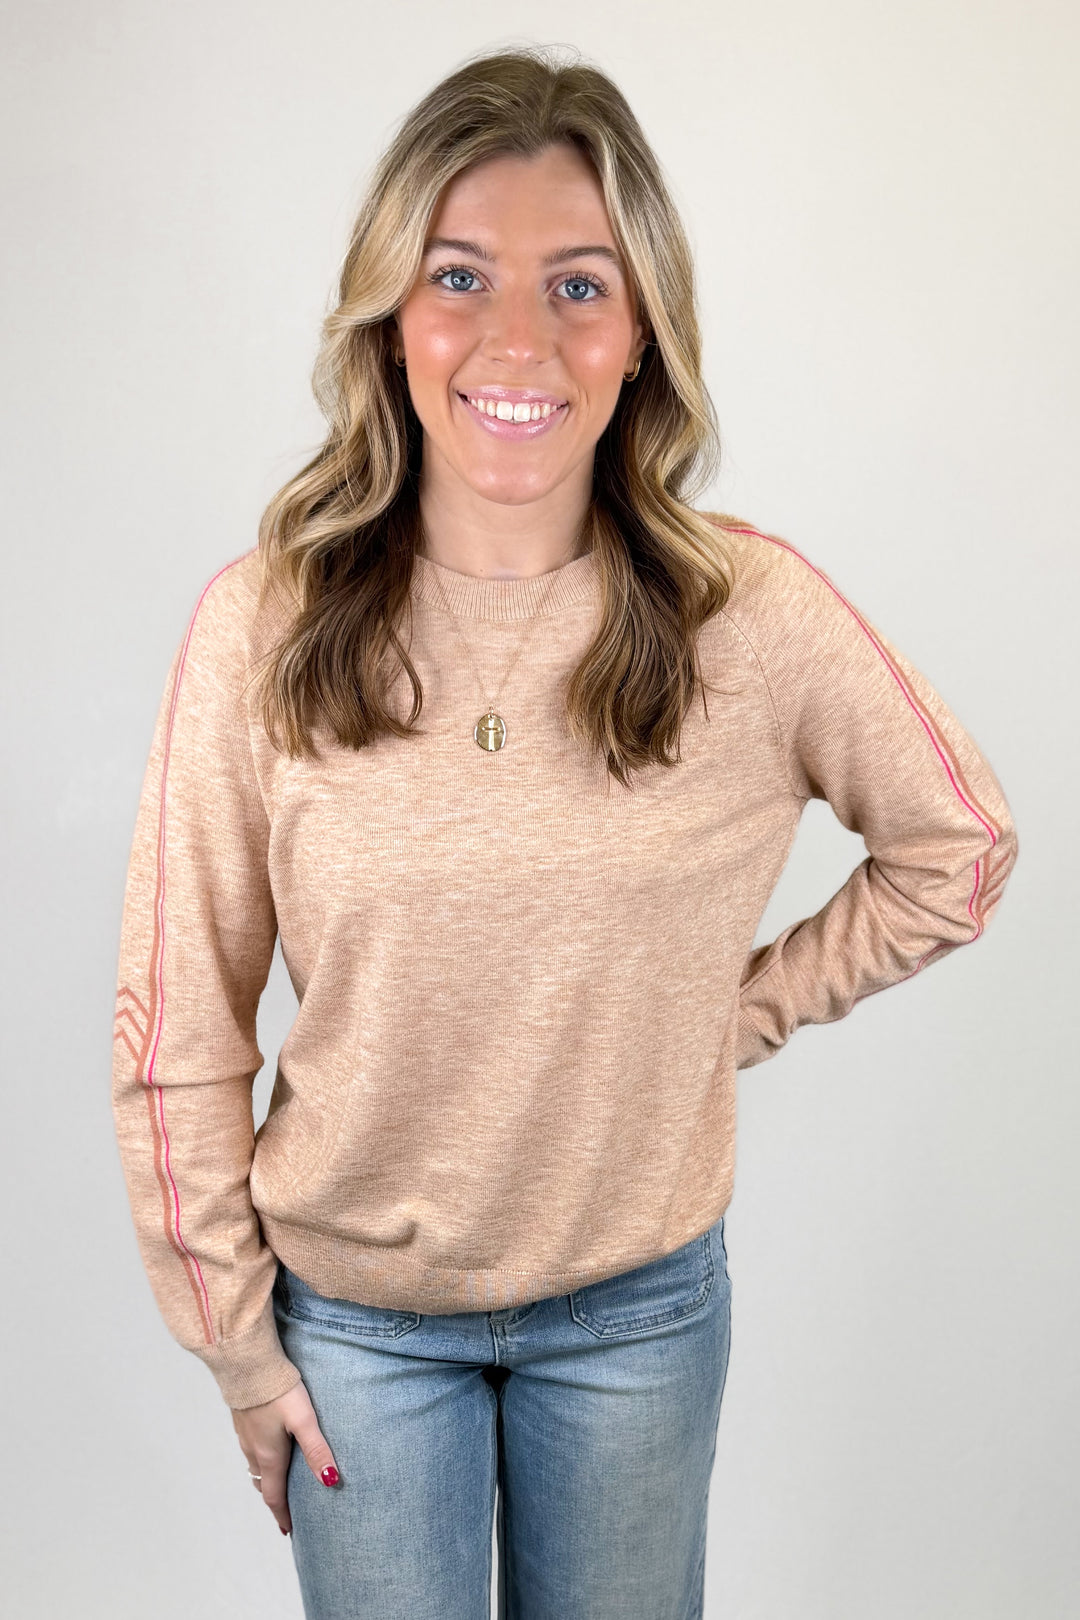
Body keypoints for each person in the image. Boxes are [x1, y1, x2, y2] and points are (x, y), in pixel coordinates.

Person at [110, 42, 1019, 1620]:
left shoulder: (750, 615)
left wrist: (730, 1013)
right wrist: (238, 1347)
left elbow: (962, 847)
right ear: (390, 317)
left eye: (580, 285)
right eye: (459, 275)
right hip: (357, 1326)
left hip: (636, 1320)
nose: (517, 338)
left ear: (643, 327)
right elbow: (178, 1021)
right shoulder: (265, 624)